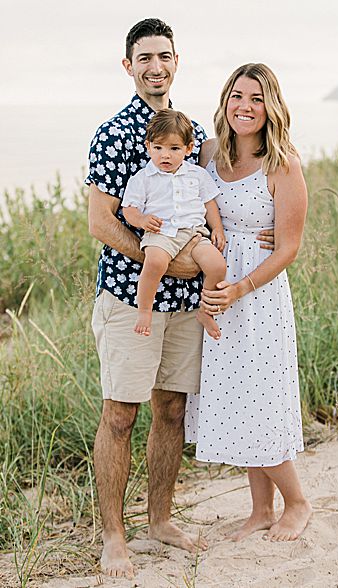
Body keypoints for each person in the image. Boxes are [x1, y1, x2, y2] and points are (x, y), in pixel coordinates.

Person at [86, 18, 210, 579]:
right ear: (128, 66)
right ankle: (114, 535)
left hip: (185, 303)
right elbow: (102, 223)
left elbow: (209, 207)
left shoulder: (196, 134)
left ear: (176, 61)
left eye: (164, 56)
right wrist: (160, 260)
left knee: (173, 408)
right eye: (144, 58)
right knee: (119, 415)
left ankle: (159, 520)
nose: (155, 67)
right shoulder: (113, 135)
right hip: (127, 296)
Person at [185, 62, 312, 543]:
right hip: (216, 284)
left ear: (270, 106)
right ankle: (261, 509)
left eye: (256, 98)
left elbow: (288, 247)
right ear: (225, 100)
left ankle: (297, 502)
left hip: (256, 296)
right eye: (238, 95)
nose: (245, 106)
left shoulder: (284, 164)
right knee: (238, 400)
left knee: (261, 399)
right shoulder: (209, 154)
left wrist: (240, 286)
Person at [121, 108, 227, 339]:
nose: (165, 156)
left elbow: (209, 202)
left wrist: (216, 228)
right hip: (162, 232)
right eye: (158, 148)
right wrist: (142, 220)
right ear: (148, 146)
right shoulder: (143, 178)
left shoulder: (197, 174)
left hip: (195, 233)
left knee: (217, 265)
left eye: (174, 149)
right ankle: (145, 310)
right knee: (155, 262)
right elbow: (128, 209)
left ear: (188, 149)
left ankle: (206, 311)